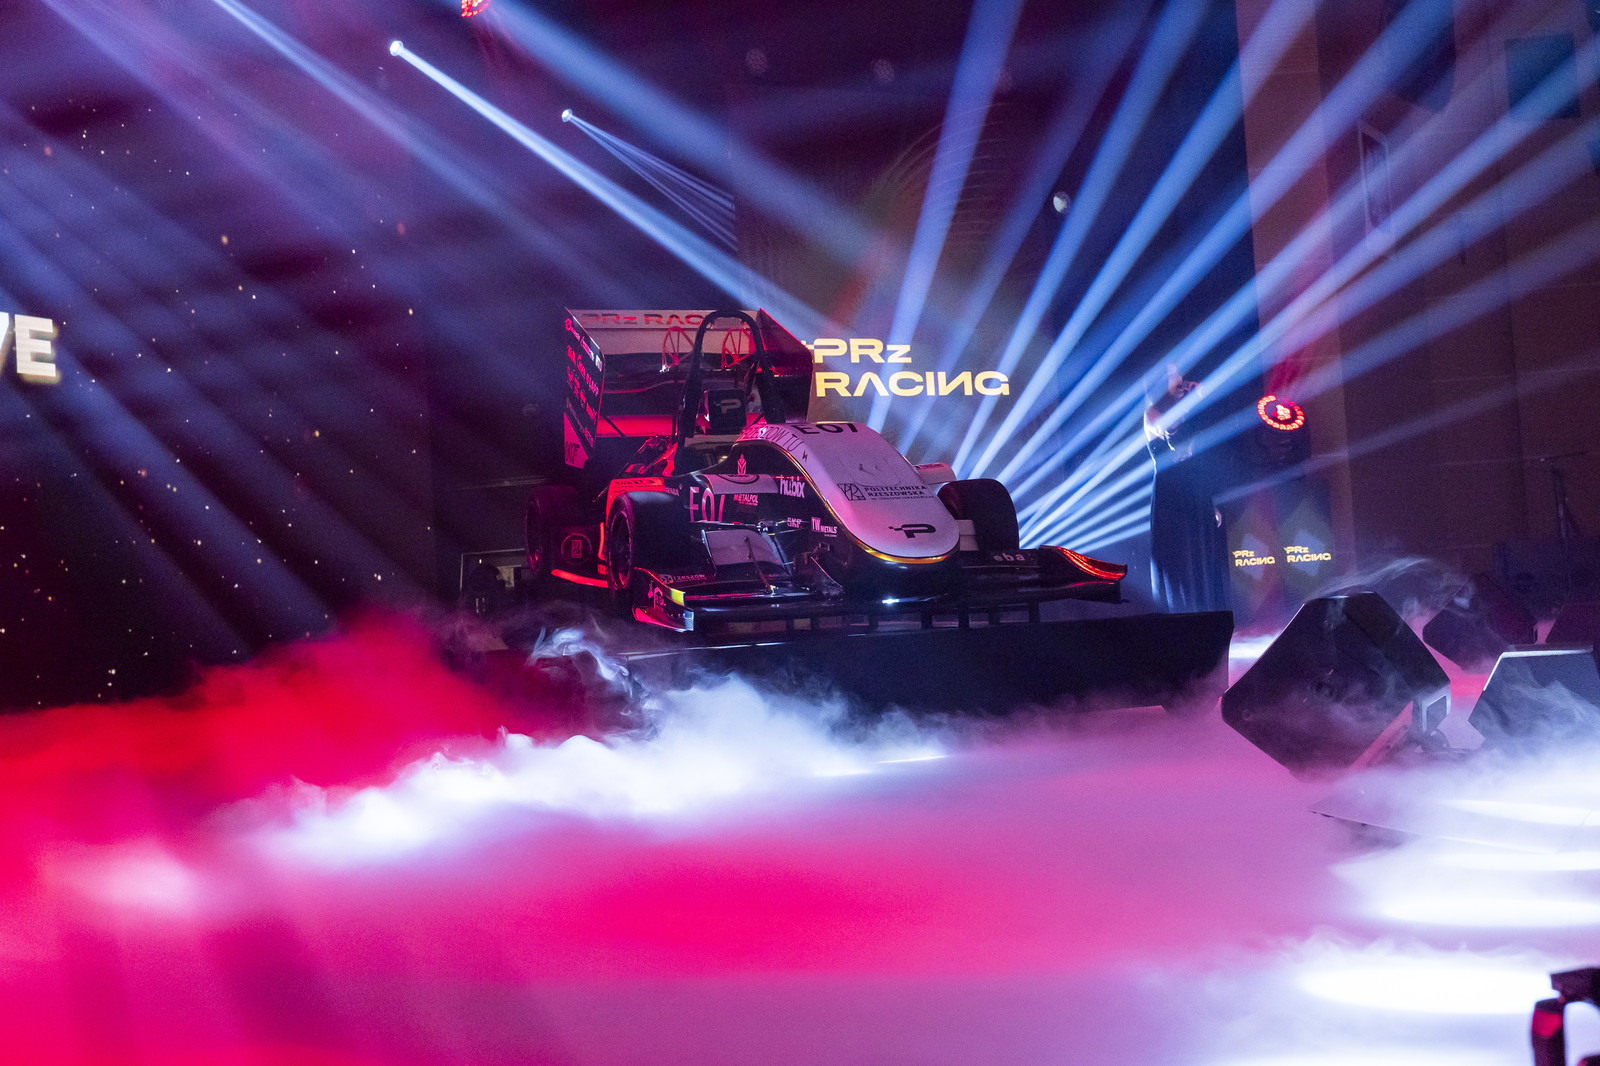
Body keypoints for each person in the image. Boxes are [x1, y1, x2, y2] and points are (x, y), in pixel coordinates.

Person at [1144, 363, 1229, 613]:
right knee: (1180, 556)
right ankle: (1182, 615)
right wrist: (1194, 401)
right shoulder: (1152, 413)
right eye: (1172, 374)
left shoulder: (1186, 409)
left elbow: (1198, 455)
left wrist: (1210, 502)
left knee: (1202, 554)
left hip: (1194, 489)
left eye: (1178, 372)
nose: (1179, 377)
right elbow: (1177, 443)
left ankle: (1208, 614)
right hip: (1171, 493)